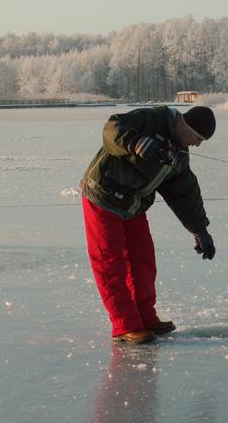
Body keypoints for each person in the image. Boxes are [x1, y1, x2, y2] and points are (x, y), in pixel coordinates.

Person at [80, 105, 216, 344]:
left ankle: (145, 317)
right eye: (198, 138)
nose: (198, 145)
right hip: (103, 195)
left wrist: (200, 230)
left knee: (143, 259)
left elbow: (184, 192)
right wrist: (135, 142)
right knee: (111, 262)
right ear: (186, 125)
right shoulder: (153, 119)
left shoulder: (179, 154)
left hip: (133, 202)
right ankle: (125, 324)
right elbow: (112, 128)